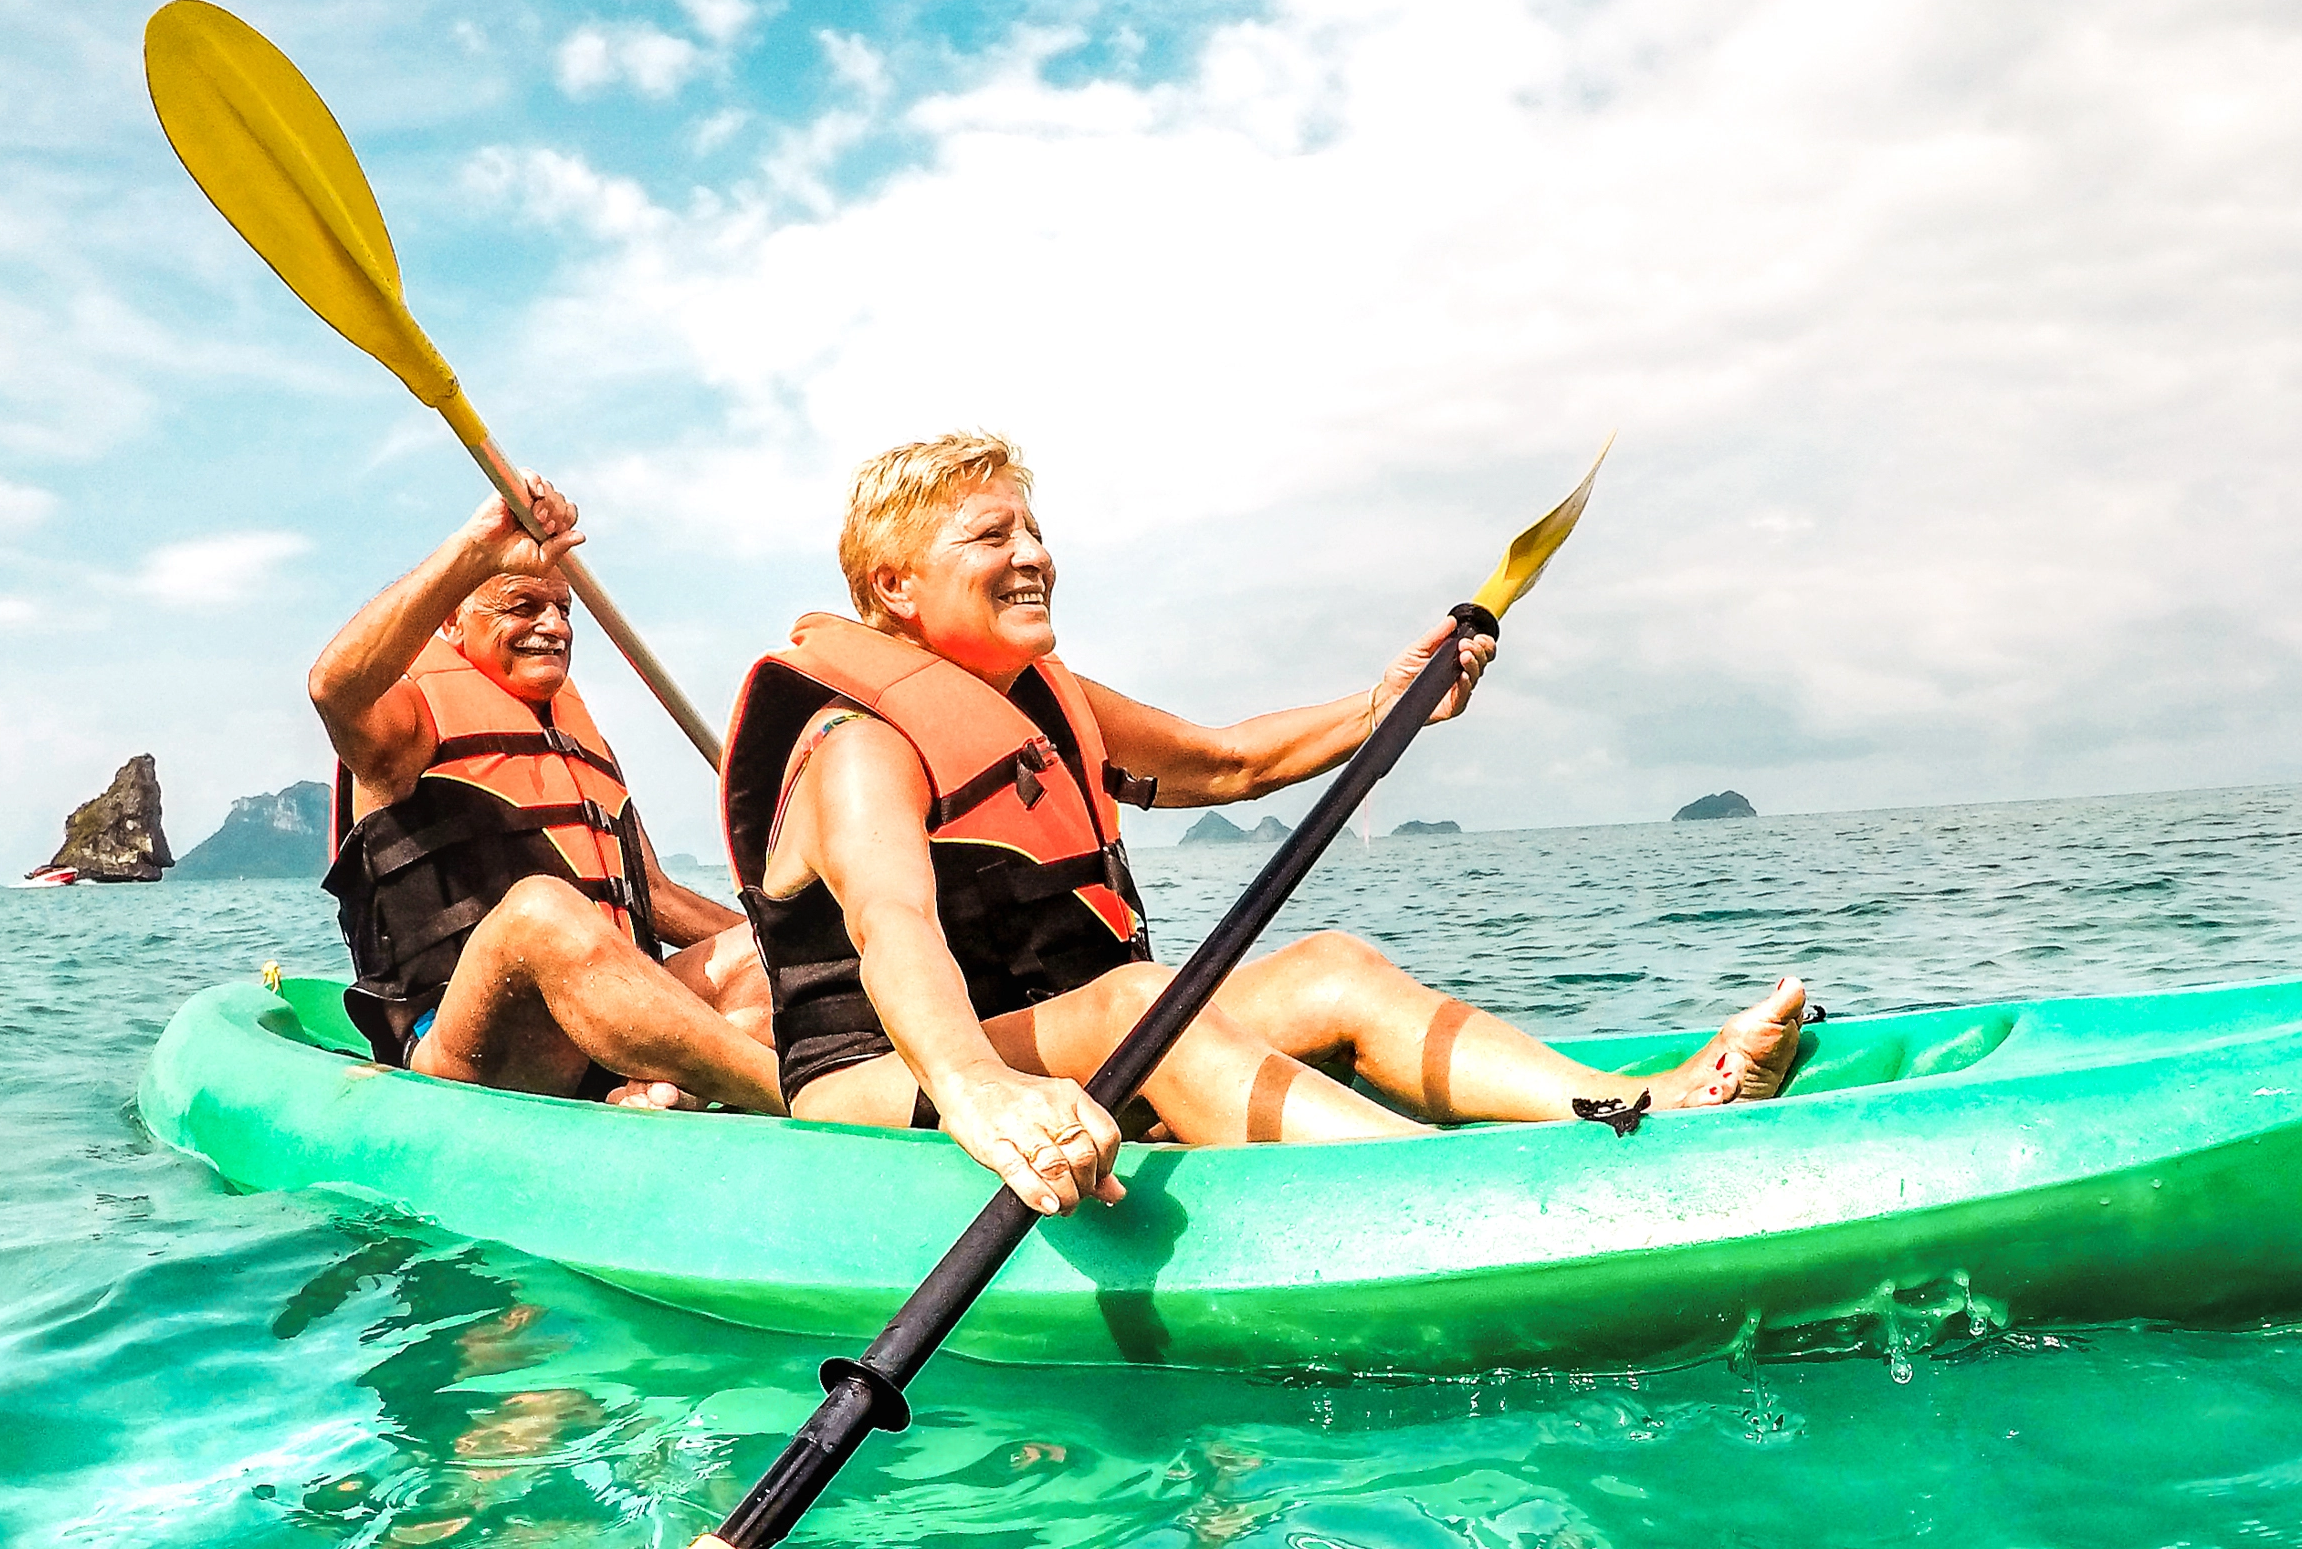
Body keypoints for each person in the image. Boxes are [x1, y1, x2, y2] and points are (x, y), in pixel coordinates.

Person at [721, 431, 1805, 1212]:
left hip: (1070, 1039)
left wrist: (1388, 707)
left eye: (1037, 529)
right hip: (886, 1078)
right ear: (895, 587)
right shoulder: (855, 741)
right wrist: (979, 1093)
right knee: (1138, 1004)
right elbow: (894, 927)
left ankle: (1640, 1105)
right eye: (990, 533)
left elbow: (1229, 761)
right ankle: (1461, 1201)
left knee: (1330, 965)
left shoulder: (1046, 697)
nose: (1033, 552)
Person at [313, 476, 781, 1113]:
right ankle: (789, 1091)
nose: (553, 627)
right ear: (452, 619)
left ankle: (666, 1090)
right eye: (522, 606)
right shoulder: (404, 720)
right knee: (541, 909)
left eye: (563, 610)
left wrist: (790, 940)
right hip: (475, 1045)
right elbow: (332, 687)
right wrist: (477, 549)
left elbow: (658, 896)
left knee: (767, 947)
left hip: (604, 1030)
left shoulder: (575, 734)